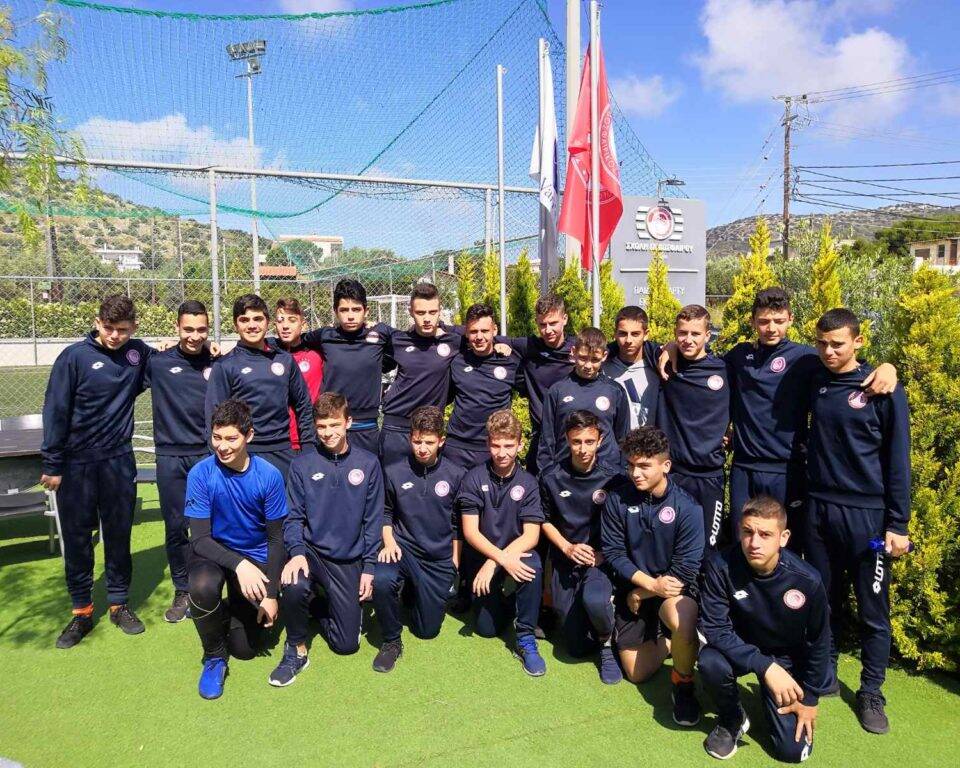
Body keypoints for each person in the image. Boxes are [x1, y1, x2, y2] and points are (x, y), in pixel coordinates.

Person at [659, 287, 898, 546]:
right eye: (763, 321)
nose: (771, 328)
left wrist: (886, 368)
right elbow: (702, 362)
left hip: (787, 471)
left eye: (779, 320)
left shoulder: (806, 358)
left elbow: (847, 368)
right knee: (743, 543)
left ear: (790, 319)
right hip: (744, 469)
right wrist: (671, 347)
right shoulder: (739, 356)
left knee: (787, 547)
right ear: (752, 321)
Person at [804, 308, 911, 735]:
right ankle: (825, 671)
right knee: (824, 598)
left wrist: (898, 524)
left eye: (838, 344)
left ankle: (871, 692)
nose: (829, 351)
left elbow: (898, 459)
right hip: (819, 508)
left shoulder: (882, 388)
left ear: (858, 342)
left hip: (867, 515)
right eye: (822, 343)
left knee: (872, 610)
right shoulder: (816, 379)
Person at [41, 295, 154, 648]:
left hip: (118, 461)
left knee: (119, 535)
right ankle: (82, 612)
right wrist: (53, 463)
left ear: (134, 328)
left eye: (123, 330)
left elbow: (171, 362)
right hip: (76, 463)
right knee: (77, 539)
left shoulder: (138, 354)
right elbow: (55, 411)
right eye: (108, 328)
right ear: (97, 322)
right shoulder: (74, 357)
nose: (115, 336)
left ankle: (119, 604)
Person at [699, 495, 830, 762]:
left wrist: (810, 699)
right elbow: (715, 628)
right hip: (739, 648)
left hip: (785, 658)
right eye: (748, 532)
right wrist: (765, 667)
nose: (754, 543)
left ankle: (771, 694)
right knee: (710, 661)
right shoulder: (720, 565)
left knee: (793, 752)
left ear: (783, 537)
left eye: (765, 534)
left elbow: (819, 641)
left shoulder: (808, 580)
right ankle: (732, 717)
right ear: (739, 531)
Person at [271, 392, 384, 686]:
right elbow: (293, 517)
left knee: (346, 645)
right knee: (294, 584)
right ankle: (296, 649)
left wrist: (369, 567)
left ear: (348, 422)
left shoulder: (369, 464)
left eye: (334, 425)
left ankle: (319, 605)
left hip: (348, 558)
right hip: (310, 552)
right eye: (321, 426)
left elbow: (373, 520)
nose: (328, 432)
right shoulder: (302, 464)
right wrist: (296, 552)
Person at [184, 399, 287, 700]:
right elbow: (199, 539)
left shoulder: (269, 476)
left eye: (231, 438)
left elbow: (276, 540)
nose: (222, 446)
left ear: (249, 435)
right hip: (213, 553)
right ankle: (214, 657)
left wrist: (271, 594)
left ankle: (223, 610)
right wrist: (240, 565)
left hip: (255, 558)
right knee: (202, 586)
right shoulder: (201, 474)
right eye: (217, 437)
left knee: (246, 650)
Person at [601, 426, 704, 726]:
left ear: (665, 465)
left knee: (682, 618)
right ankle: (674, 644)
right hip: (637, 588)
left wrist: (646, 591)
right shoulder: (617, 500)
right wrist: (645, 585)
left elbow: (686, 570)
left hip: (673, 590)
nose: (636, 473)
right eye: (631, 465)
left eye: (645, 466)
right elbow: (614, 552)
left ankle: (683, 686)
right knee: (635, 673)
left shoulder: (688, 508)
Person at [372, 406, 466, 672]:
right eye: (417, 441)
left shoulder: (456, 474)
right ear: (410, 438)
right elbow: (386, 512)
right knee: (382, 580)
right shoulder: (393, 471)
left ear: (441, 441)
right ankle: (392, 640)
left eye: (429, 442)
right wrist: (389, 542)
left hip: (437, 558)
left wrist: (455, 561)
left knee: (427, 631)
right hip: (402, 549)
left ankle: (414, 593)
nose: (422, 448)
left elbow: (458, 524)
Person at [457, 409, 547, 676]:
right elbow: (471, 532)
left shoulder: (529, 483)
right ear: (488, 444)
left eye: (509, 445)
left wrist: (496, 562)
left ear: (520, 445)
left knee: (533, 567)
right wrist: (496, 559)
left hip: (516, 552)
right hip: (482, 554)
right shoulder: (473, 478)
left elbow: (531, 536)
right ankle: (509, 602)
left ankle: (526, 636)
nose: (502, 452)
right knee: (486, 629)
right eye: (496, 445)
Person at [143, 299, 215, 623]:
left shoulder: (217, 362)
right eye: (188, 329)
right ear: (177, 328)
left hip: (207, 455)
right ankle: (183, 589)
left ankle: (210, 587)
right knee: (175, 527)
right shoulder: (158, 363)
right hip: (170, 457)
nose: (195, 336)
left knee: (211, 526)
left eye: (201, 330)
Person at [539, 410, 621, 684]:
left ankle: (607, 643)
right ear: (567, 440)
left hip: (600, 561)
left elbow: (625, 526)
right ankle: (601, 623)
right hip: (566, 559)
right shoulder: (551, 476)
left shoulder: (614, 478)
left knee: (594, 600)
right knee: (574, 647)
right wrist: (567, 548)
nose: (583, 449)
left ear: (600, 441)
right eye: (576, 442)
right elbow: (544, 520)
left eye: (589, 441)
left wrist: (605, 553)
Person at [204, 293, 315, 478]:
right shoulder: (225, 365)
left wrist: (309, 449)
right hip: (243, 453)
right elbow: (213, 416)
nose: (252, 325)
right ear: (235, 325)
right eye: (244, 320)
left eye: (257, 319)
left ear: (267, 322)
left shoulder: (285, 360)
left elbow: (303, 405)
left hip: (282, 452)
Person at [655, 304, 730, 554]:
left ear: (707, 335)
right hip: (673, 475)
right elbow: (623, 344)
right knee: (669, 546)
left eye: (695, 334)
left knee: (709, 549)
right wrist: (668, 347)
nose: (688, 339)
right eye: (682, 333)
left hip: (710, 476)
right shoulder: (665, 365)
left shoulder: (725, 369)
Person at [300, 279, 393, 456]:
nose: (350, 316)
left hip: (366, 428)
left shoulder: (381, 334)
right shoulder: (325, 336)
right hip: (330, 425)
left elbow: (409, 341)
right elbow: (296, 341)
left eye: (356, 309)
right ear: (335, 311)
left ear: (366, 311)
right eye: (344, 310)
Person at [379, 283, 461, 466]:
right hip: (396, 427)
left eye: (432, 312)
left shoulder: (453, 341)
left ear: (440, 311)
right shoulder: (398, 340)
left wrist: (501, 344)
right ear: (411, 312)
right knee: (391, 480)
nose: (427, 318)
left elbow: (479, 333)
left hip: (428, 431)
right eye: (420, 313)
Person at [537, 327, 629, 475]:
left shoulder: (615, 391)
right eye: (583, 358)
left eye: (595, 360)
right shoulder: (557, 390)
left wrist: (623, 473)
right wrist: (546, 474)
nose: (588, 365)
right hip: (566, 474)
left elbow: (623, 438)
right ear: (573, 352)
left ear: (604, 356)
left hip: (607, 474)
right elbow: (547, 439)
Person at [504, 293, 575, 475]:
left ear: (565, 319)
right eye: (542, 324)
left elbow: (610, 349)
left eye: (553, 323)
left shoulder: (578, 349)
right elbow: (486, 335)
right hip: (541, 438)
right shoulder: (529, 346)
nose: (548, 330)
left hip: (574, 438)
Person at [444, 302, 520, 469]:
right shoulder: (457, 362)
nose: (479, 337)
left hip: (493, 447)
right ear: (466, 333)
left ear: (495, 330)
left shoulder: (510, 362)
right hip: (457, 446)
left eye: (485, 331)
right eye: (473, 331)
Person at [272, 297, 324, 453]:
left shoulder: (318, 353)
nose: (285, 326)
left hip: (310, 438)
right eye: (280, 320)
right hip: (277, 439)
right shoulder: (268, 353)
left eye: (292, 320)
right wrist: (209, 344)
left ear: (303, 324)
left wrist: (367, 327)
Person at [602, 306, 660, 429]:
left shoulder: (659, 367)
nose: (628, 340)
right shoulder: (602, 367)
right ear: (615, 333)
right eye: (623, 334)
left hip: (652, 439)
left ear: (646, 334)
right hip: (616, 439)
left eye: (635, 334)